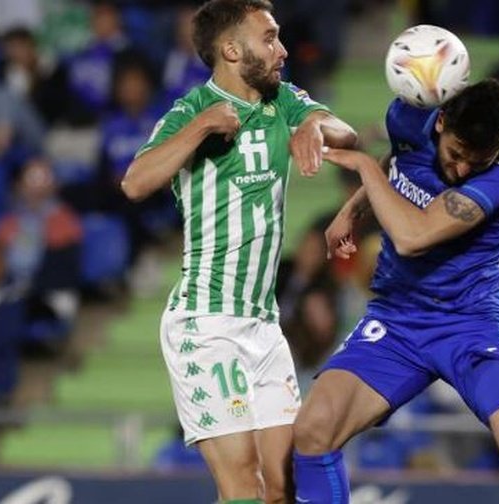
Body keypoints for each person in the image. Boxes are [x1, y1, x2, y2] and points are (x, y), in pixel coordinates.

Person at [291, 79, 499, 504]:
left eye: (476, 163)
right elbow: (398, 162)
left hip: (470, 325)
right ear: (440, 122)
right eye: (456, 154)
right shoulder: (407, 117)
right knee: (314, 430)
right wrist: (353, 209)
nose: (461, 170)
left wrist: (363, 167)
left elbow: (413, 236)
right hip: (397, 319)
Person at [120, 1, 357, 502]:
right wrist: (203, 127)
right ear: (231, 49)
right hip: (205, 325)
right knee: (243, 480)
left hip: (264, 326)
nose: (282, 49)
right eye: (269, 37)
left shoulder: (285, 102)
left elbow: (347, 134)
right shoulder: (189, 111)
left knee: (283, 485)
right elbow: (135, 182)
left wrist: (315, 124)